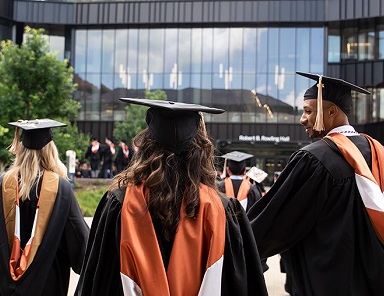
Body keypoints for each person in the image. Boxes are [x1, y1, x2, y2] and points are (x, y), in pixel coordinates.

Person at [248, 73, 384, 296]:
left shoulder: (314, 159)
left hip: (329, 284)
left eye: (308, 111)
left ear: (331, 112)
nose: (302, 119)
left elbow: (274, 224)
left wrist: (232, 242)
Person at [76, 98, 268, 296]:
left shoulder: (119, 204)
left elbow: (98, 281)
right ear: (200, 150)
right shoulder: (223, 209)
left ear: (146, 147)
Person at [0, 119, 90, 296]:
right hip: (46, 286)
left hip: (0, 287)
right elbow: (80, 245)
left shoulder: (1, 185)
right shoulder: (60, 189)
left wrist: (2, 267)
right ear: (50, 151)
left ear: (21, 150)